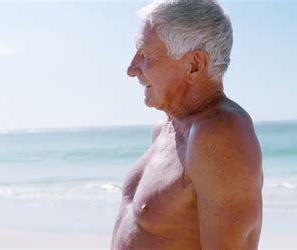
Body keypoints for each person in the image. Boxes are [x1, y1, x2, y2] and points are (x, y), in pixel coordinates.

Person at [111, 0, 263, 249]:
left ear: (194, 65)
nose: (131, 68)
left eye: (146, 54)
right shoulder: (164, 128)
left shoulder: (221, 133)